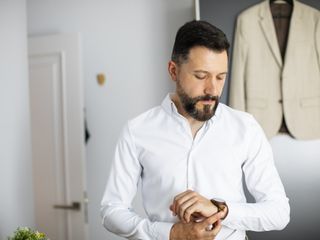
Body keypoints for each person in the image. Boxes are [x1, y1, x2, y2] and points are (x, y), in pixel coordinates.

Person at [100, 20, 290, 240]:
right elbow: (111, 211)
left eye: (221, 77)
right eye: (201, 76)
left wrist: (222, 210)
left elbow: (279, 212)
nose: (212, 89)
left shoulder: (245, 127)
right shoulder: (137, 131)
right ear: (173, 71)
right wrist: (170, 233)